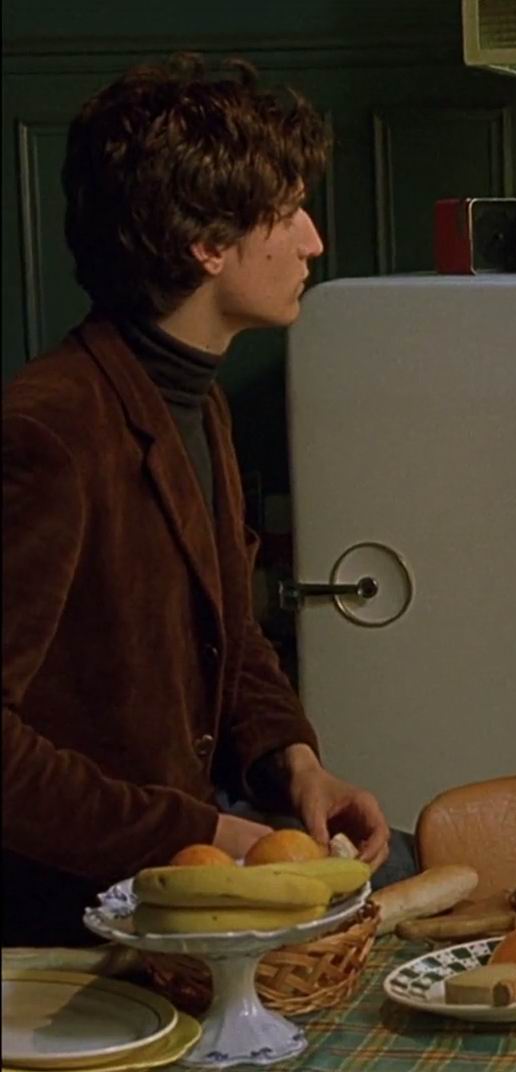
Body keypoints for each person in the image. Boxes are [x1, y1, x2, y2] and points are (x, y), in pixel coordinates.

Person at [2, 55, 400, 946]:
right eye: (286, 214)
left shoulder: (195, 399)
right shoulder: (48, 430)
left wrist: (296, 765)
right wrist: (206, 833)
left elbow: (229, 633)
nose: (313, 241)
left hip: (179, 895)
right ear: (207, 246)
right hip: (69, 920)